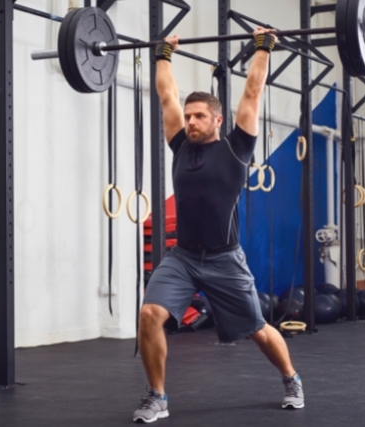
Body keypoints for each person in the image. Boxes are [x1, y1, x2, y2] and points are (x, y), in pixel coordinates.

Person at [132, 28, 303, 424]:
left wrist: (262, 47)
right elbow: (166, 95)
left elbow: (252, 92)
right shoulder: (180, 146)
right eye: (188, 117)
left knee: (258, 330)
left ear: (217, 120)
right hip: (183, 257)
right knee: (149, 315)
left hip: (226, 259)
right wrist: (162, 54)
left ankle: (291, 378)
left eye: (199, 117)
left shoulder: (236, 147)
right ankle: (157, 396)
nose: (190, 122)